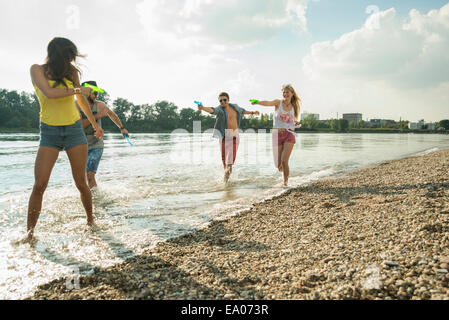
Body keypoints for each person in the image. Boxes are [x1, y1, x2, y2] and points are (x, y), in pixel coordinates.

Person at [27, 37, 104, 242]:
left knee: (81, 182)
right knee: (40, 184)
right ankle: (29, 234)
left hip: (73, 130)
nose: (71, 60)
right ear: (58, 54)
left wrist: (95, 125)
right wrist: (79, 89)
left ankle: (91, 222)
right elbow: (50, 93)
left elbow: (80, 102)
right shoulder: (37, 70)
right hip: (49, 132)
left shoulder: (72, 72)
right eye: (69, 55)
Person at [76, 80, 129, 190]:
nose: (96, 95)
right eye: (94, 92)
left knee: (90, 175)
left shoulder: (100, 105)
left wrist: (122, 128)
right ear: (86, 92)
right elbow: (80, 125)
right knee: (83, 177)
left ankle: (95, 199)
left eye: (97, 93)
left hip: (96, 144)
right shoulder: (76, 105)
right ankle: (89, 196)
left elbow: (112, 115)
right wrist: (98, 115)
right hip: (81, 145)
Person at [197, 92, 260, 183]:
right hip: (223, 137)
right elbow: (212, 110)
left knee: (229, 163)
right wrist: (202, 108)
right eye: (220, 101)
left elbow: (243, 111)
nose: (222, 102)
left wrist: (253, 112)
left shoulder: (235, 107)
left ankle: (225, 185)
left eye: (224, 100)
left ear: (228, 100)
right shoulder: (219, 109)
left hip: (234, 137)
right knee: (224, 163)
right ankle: (227, 185)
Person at [251, 84, 301, 186]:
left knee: (284, 160)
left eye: (287, 92)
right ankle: (285, 174)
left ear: (292, 93)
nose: (285, 94)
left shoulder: (294, 106)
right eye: (284, 92)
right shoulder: (278, 103)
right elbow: (267, 103)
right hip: (276, 135)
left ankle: (285, 183)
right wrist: (257, 102)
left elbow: (293, 119)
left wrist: (295, 123)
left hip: (289, 134)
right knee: (278, 165)